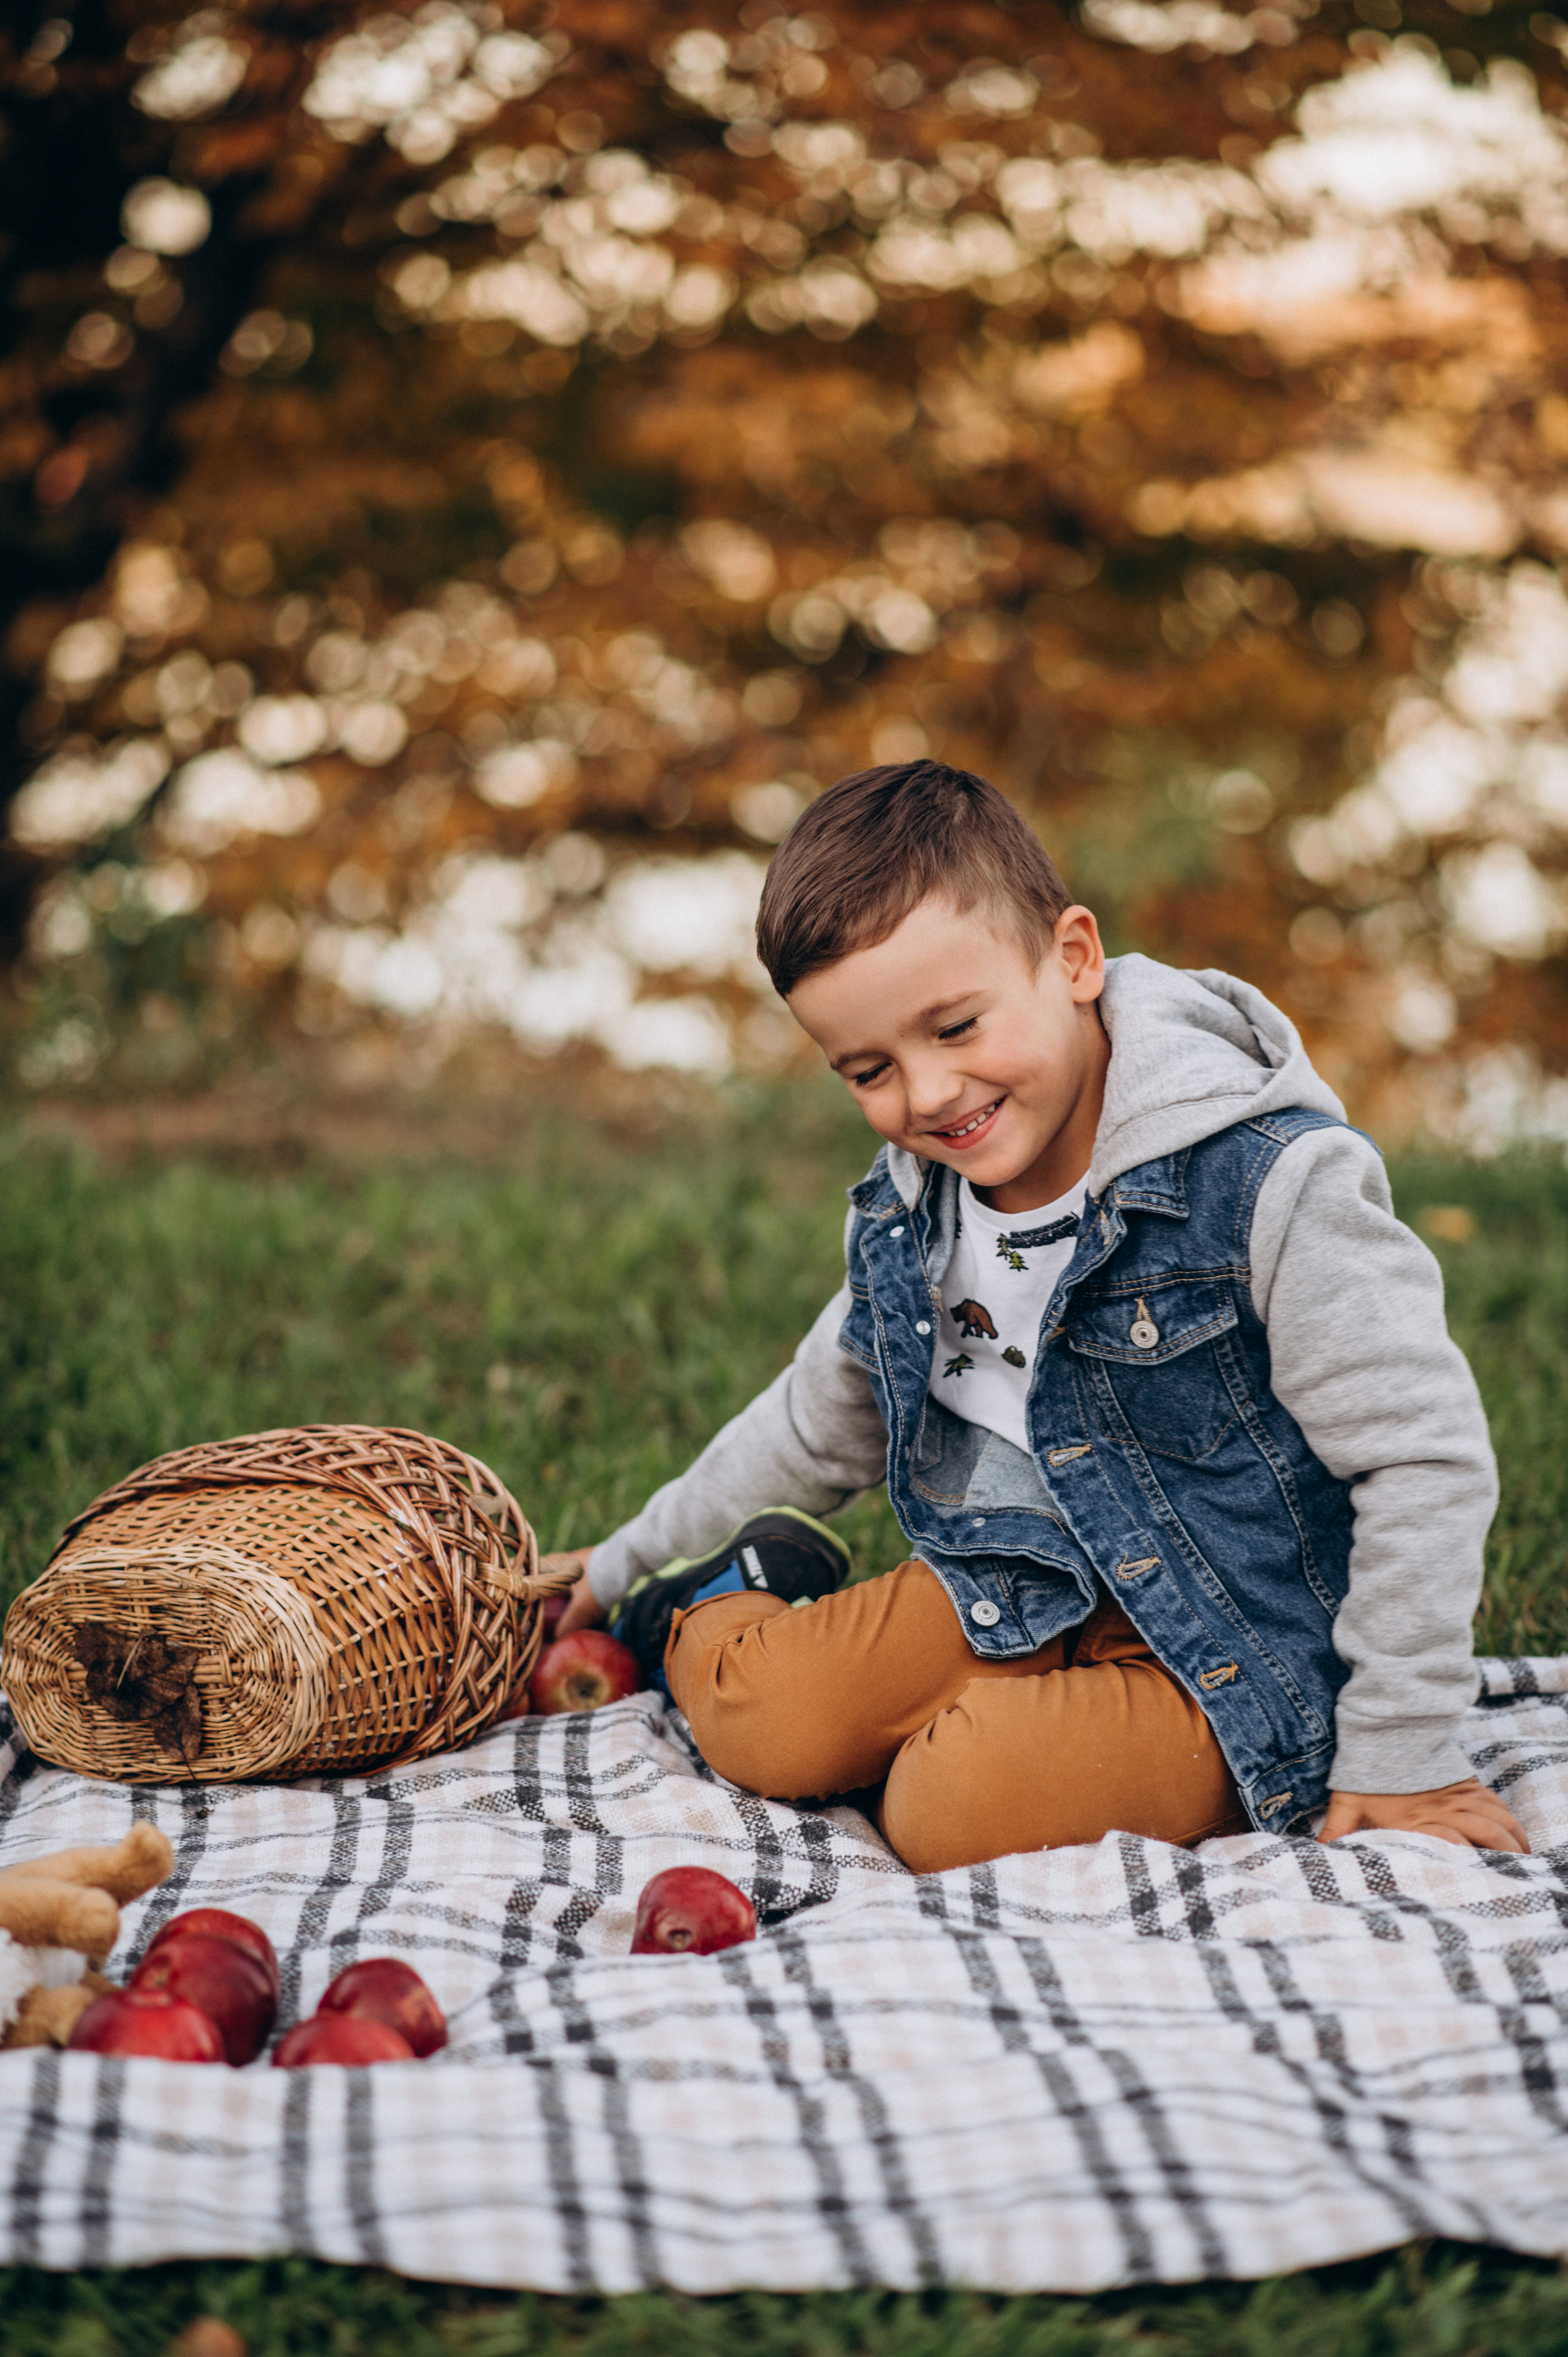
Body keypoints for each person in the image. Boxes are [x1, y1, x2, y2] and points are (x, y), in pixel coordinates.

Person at [546, 760, 1527, 1871]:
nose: (927, 1095)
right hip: (1015, 1584)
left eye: (957, 1027)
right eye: (868, 1071)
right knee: (760, 1718)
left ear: (1073, 958)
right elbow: (814, 1425)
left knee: (947, 1811)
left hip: (1235, 1654)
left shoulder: (1268, 1185)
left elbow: (1422, 1459)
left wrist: (1401, 1751)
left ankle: (995, 1737)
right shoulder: (919, 1211)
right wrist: (615, 1571)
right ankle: (710, 1601)